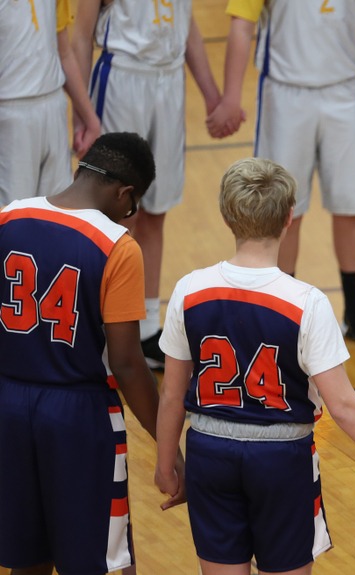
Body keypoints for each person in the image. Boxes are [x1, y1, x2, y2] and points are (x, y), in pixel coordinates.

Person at [154, 157, 355, 575]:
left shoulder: (189, 290)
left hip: (209, 451)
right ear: (289, 218)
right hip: (281, 458)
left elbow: (172, 394)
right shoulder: (307, 303)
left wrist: (166, 464)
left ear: (226, 216)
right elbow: (345, 407)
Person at [205, 0, 355, 351]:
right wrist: (232, 96)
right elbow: (241, 24)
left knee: (351, 205)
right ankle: (278, 310)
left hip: (345, 91)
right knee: (284, 212)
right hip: (285, 93)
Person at [0, 132, 183, 575]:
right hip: (77, 415)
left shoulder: (8, 216)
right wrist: (167, 441)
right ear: (124, 194)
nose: (130, 217)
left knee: (26, 559)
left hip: (6, 404)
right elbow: (126, 362)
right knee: (105, 561)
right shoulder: (117, 247)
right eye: (133, 206)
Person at [72, 0, 224, 370]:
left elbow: (188, 29)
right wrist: (80, 114)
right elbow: (80, 35)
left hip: (169, 81)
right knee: (112, 216)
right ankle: (101, 331)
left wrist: (211, 95)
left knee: (156, 210)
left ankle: (146, 327)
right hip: (123, 76)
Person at [0, 0, 101, 203]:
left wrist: (90, 119)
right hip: (10, 114)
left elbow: (63, 53)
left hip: (54, 108)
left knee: (56, 215)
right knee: (11, 222)